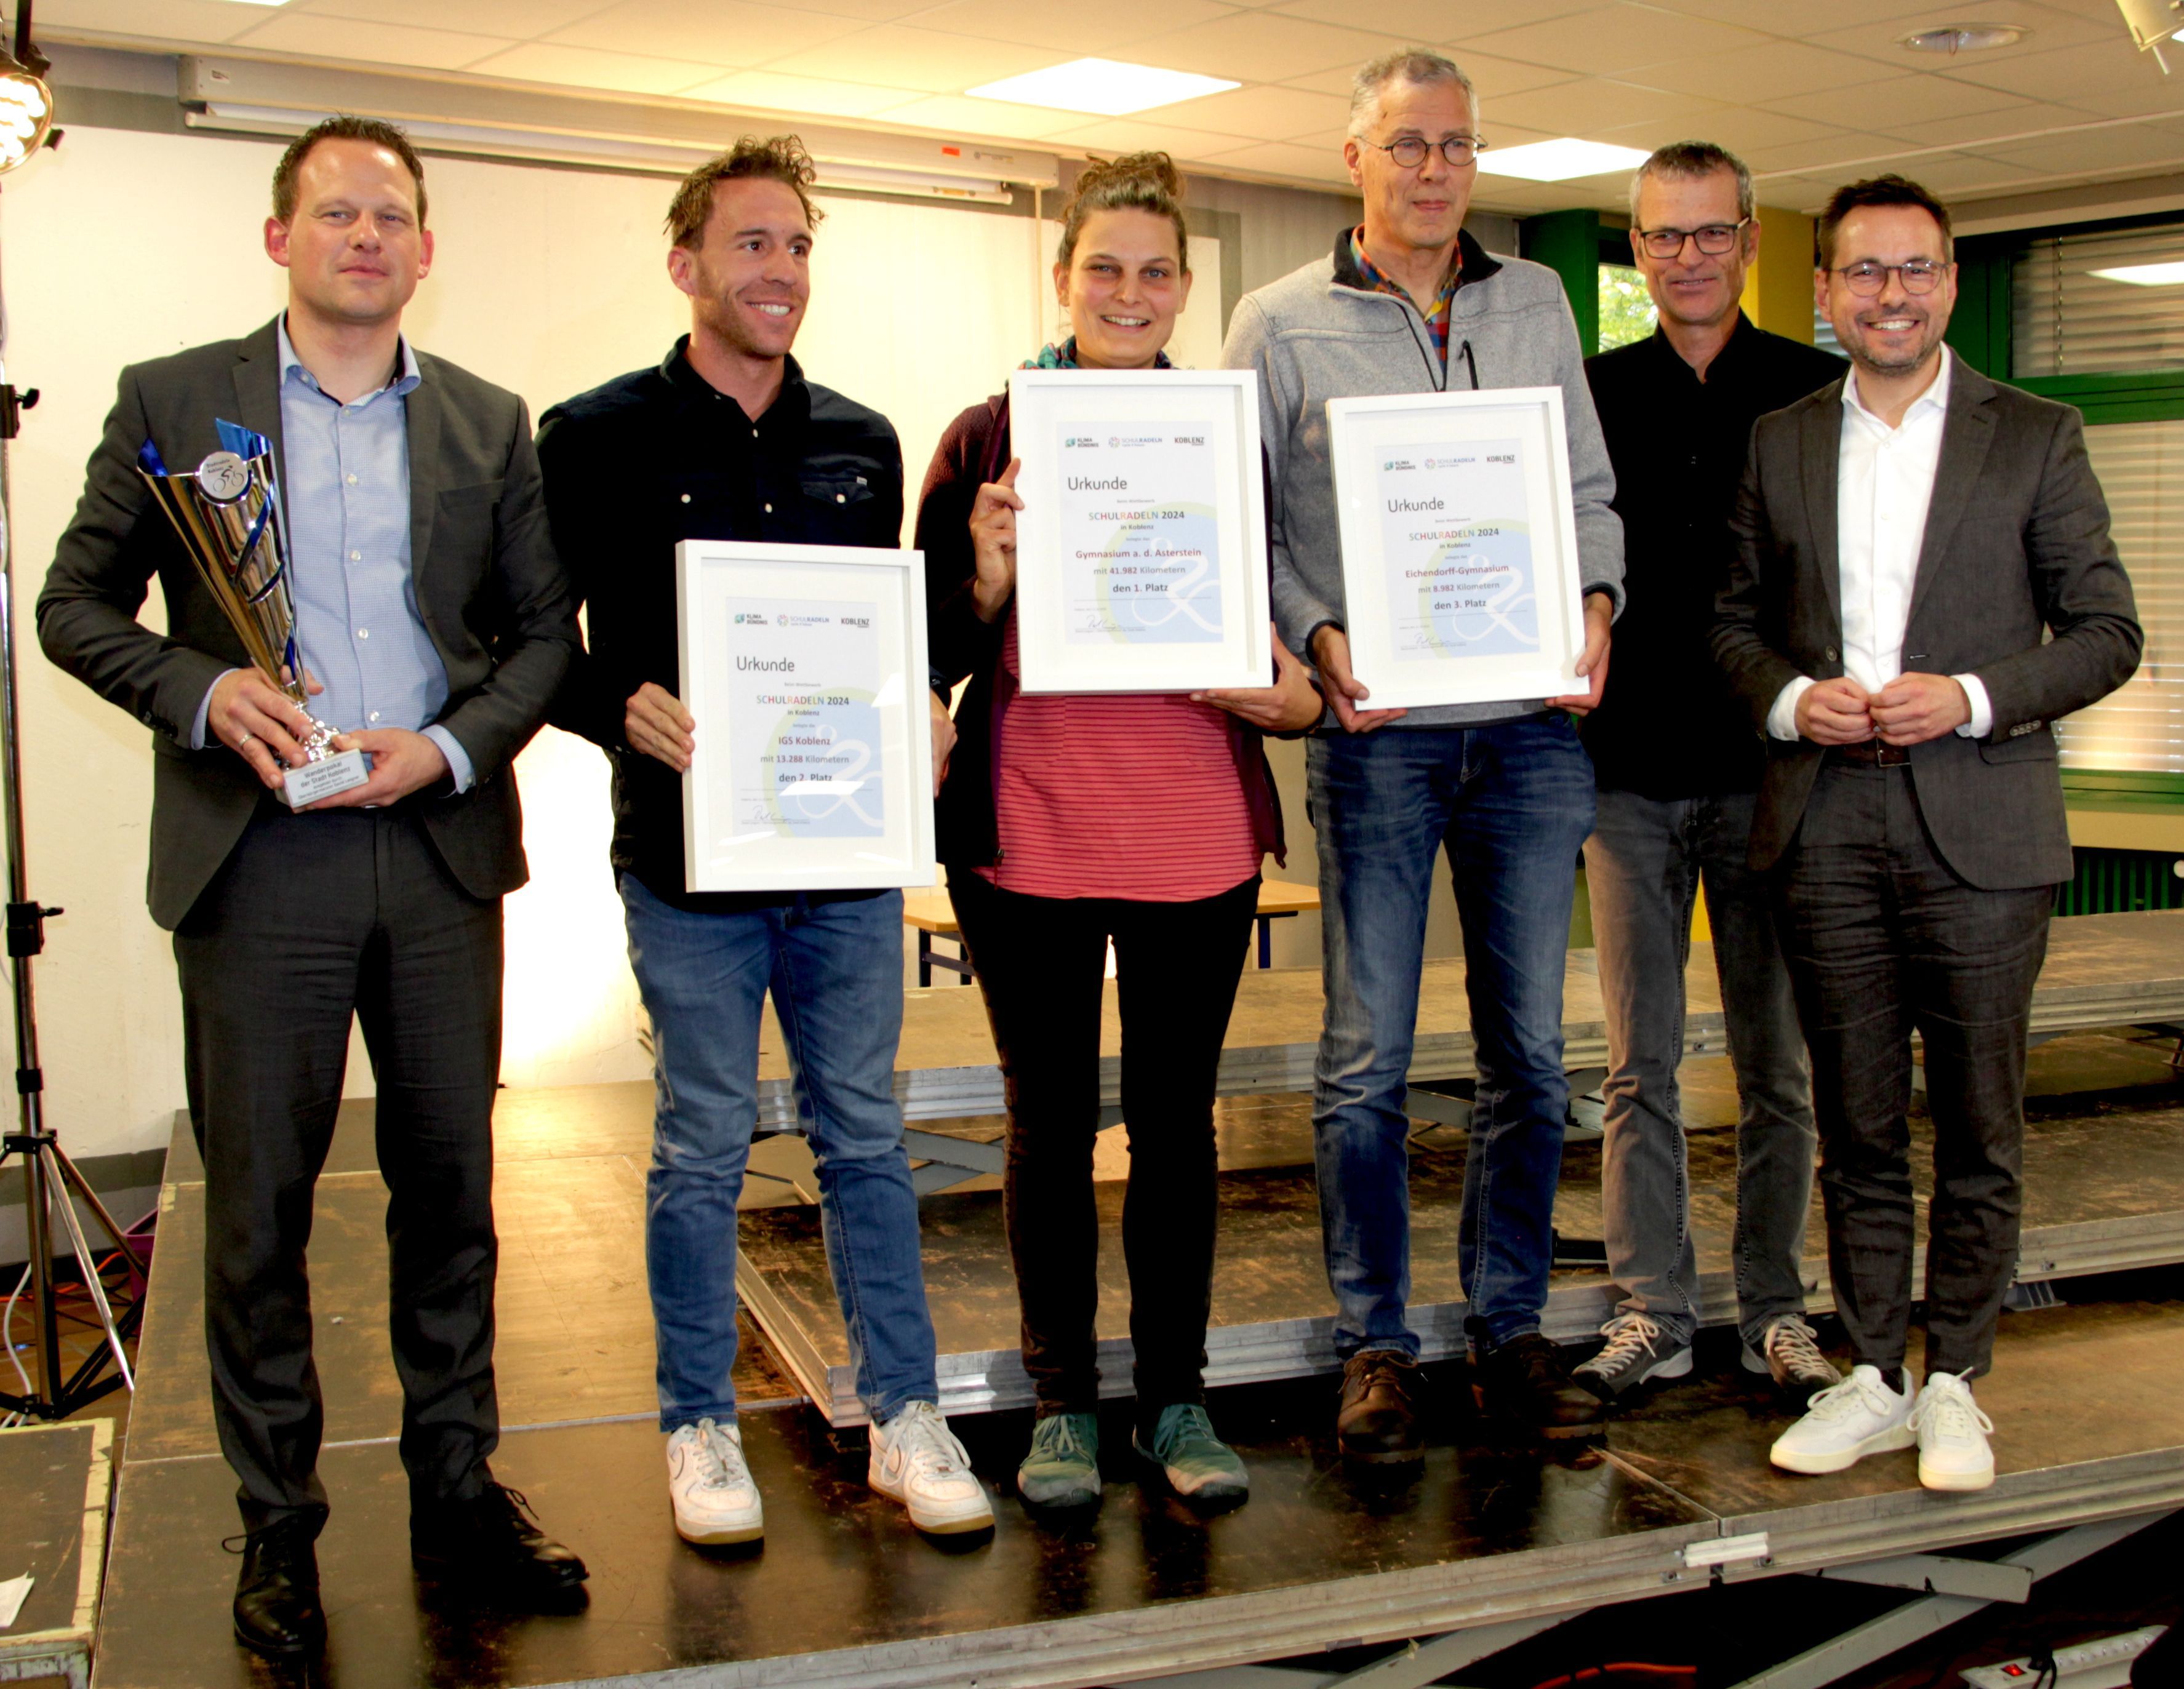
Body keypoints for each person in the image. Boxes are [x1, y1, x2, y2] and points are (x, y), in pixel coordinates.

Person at [38, 118, 585, 1658]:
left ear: (424, 248)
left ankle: (457, 1487)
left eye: (392, 215)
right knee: (258, 1211)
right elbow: (72, 606)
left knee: (451, 1191)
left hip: (428, 849)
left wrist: (455, 747)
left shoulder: (487, 421)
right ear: (277, 237)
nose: (365, 235)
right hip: (256, 853)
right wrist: (202, 692)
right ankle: (277, 1522)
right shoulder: (174, 401)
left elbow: (546, 636)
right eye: (335, 211)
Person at [535, 137, 992, 1546]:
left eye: (796, 245)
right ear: (686, 265)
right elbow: (524, 644)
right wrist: (618, 705)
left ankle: (903, 1413)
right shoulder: (593, 434)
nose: (778, 270)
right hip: (686, 869)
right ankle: (696, 1423)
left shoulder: (861, 439)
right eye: (749, 245)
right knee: (700, 1146)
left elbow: (904, 641)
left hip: (843, 862)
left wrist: (946, 644)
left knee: (865, 1136)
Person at [1224, 49, 1626, 1456]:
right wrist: (1320, 635)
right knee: (1363, 1061)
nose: (1434, 167)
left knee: (1527, 1053)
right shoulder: (1274, 322)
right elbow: (1246, 521)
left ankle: (1507, 1331)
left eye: (1455, 143)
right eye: (1407, 143)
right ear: (1356, 156)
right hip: (1377, 737)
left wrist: (1592, 604)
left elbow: (1583, 489)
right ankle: (1375, 1345)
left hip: (1527, 736)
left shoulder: (1535, 303)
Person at [1713, 174, 2141, 1491]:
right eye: (1860, 272)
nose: (1886, 293)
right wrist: (1791, 698)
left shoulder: (2036, 433)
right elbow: (1727, 626)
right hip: (1824, 822)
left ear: (1947, 283)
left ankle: (1954, 1374)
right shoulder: (1777, 439)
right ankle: (1871, 1371)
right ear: (1825, 291)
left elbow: (2106, 632)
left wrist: (1966, 695)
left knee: (1975, 1122)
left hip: (1982, 826)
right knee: (1853, 1127)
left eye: (1911, 269)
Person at [919, 153, 1323, 1512]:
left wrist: (1294, 692)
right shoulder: (987, 436)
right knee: (1046, 1125)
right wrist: (980, 573)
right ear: (1062, 277)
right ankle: (1057, 1408)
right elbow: (926, 645)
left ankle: (1175, 1399)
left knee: (1174, 1126)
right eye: (1106, 266)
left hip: (1190, 830)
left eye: (1156, 270)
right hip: (1028, 829)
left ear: (1183, 289)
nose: (1130, 291)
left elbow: (1291, 635)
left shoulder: (1229, 434)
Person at [1572, 142, 1842, 1407]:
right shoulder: (1582, 393)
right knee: (1637, 1061)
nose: (1684, 256)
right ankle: (1651, 1308)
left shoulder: (1812, 392)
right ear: (1634, 248)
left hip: (1768, 777)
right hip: (1622, 773)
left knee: (1775, 1060)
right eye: (1659, 235)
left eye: (1707, 232)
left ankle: (1776, 1307)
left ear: (1746, 236)